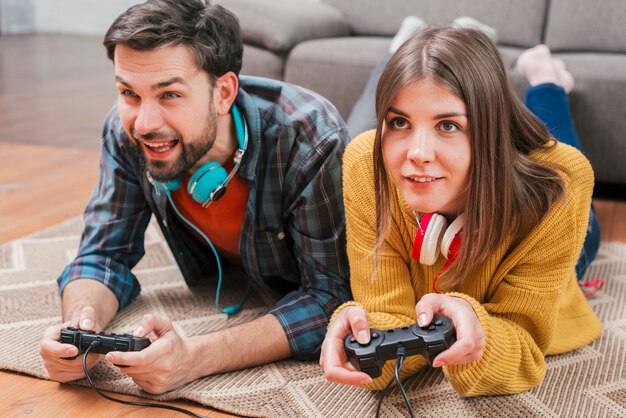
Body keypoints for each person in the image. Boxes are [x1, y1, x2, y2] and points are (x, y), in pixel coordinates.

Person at [39, 0, 351, 395]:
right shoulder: (127, 130)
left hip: (351, 152)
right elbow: (102, 255)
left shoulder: (311, 138)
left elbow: (330, 298)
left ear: (223, 93)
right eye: (128, 92)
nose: (145, 123)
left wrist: (195, 357)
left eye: (169, 95)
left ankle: (397, 46)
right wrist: (77, 330)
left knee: (367, 134)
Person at [319, 26, 602, 396]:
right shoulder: (366, 164)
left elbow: (523, 348)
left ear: (490, 132)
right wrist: (363, 339)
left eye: (448, 125)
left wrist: (480, 333)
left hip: (539, 224)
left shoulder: (559, 185)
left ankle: (547, 78)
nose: (417, 154)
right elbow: (390, 317)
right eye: (399, 122)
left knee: (562, 156)